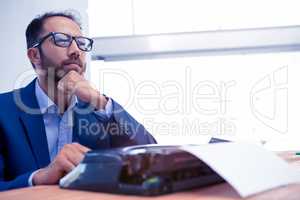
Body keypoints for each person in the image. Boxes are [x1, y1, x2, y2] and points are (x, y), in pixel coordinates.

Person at [0, 11, 156, 191]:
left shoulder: (100, 111)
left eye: (81, 43)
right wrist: (39, 177)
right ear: (35, 55)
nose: (76, 51)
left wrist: (99, 100)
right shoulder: (4, 111)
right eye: (61, 40)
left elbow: (150, 157)